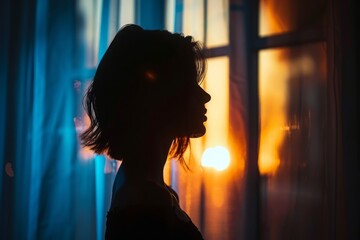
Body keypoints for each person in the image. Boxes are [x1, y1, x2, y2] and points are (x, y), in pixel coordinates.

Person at [81, 24, 210, 239]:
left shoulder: (146, 188)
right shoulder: (145, 199)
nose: (205, 97)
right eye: (190, 85)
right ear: (159, 97)